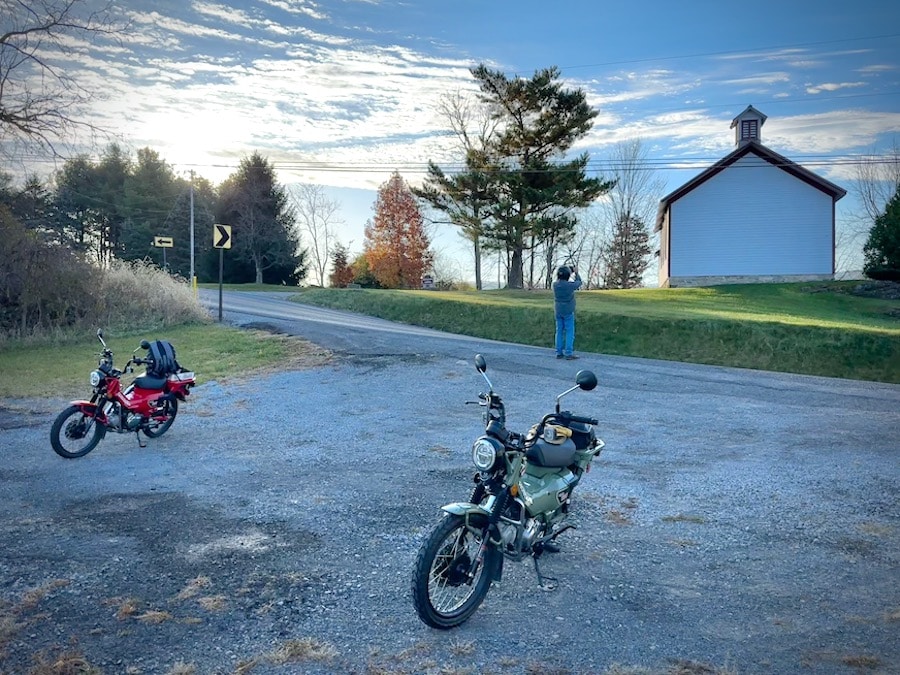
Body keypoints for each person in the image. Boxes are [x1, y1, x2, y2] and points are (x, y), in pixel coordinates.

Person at [552, 265, 582, 360]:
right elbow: (579, 282)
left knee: (559, 331)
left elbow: (557, 278)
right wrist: (576, 273)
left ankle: (559, 352)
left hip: (558, 310)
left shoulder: (555, 285)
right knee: (569, 331)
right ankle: (568, 353)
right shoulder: (570, 285)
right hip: (568, 310)